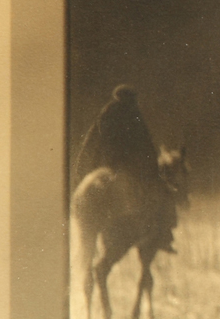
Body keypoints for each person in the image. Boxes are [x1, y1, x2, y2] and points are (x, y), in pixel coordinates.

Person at [74, 84, 176, 254]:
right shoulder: (133, 114)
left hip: (103, 165)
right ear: (131, 99)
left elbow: (90, 143)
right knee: (160, 193)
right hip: (127, 167)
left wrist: (82, 171)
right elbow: (146, 143)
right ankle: (164, 236)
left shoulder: (105, 114)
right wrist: (152, 167)